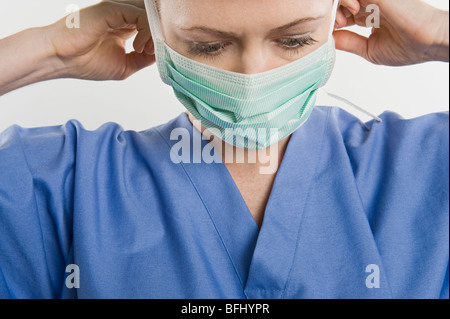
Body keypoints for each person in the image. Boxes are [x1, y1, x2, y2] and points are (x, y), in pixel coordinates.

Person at [0, 0, 448, 299]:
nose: (253, 77)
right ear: (154, 25)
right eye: (208, 46)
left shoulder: (429, 167)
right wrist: (47, 51)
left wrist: (438, 33)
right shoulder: (57, 185)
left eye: (294, 40)